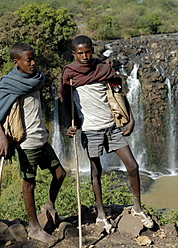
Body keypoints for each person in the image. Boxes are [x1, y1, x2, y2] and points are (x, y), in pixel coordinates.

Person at [60, 35, 153, 233]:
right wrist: (70, 124)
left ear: (92, 50)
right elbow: (65, 102)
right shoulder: (70, 74)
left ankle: (137, 208)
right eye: (80, 53)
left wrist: (131, 118)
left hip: (112, 127)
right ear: (73, 54)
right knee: (95, 172)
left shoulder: (102, 69)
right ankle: (101, 215)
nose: (84, 56)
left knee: (133, 166)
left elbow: (119, 93)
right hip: (90, 130)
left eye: (88, 52)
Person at [0, 43, 66, 244]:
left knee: (60, 173)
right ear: (16, 62)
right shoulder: (8, 84)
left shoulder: (36, 78)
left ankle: (49, 205)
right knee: (29, 184)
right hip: (26, 141)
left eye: (33, 58)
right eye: (28, 60)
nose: (33, 63)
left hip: (41, 136)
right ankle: (34, 228)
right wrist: (2, 138)